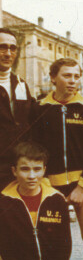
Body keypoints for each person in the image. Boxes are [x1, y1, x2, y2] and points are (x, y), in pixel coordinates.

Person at [0, 141, 79, 260]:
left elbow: (65, 246)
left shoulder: (56, 199)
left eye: (37, 169)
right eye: (25, 169)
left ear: (44, 170)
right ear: (14, 171)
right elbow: (4, 249)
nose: (31, 175)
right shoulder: (3, 202)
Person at [31, 58, 83, 246]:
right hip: (50, 182)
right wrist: (44, 183)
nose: (72, 81)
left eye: (77, 76)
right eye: (67, 75)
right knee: (55, 239)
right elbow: (34, 149)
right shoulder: (39, 109)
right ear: (53, 78)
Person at [0, 28, 34, 191]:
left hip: (16, 168)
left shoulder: (21, 84)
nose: (8, 53)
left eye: (12, 48)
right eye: (2, 47)